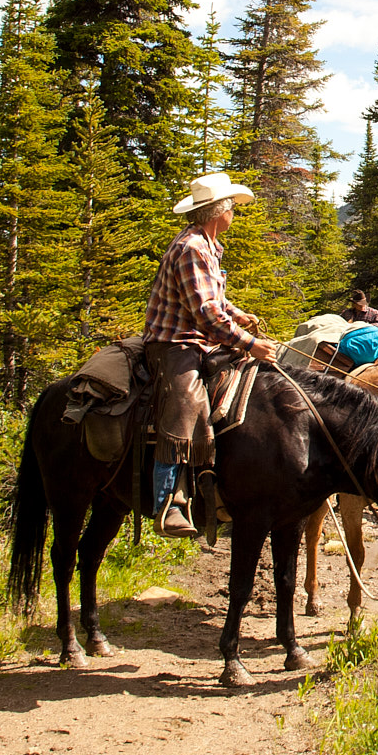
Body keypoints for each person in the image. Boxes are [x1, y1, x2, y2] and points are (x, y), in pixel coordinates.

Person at [142, 172, 276, 538]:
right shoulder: (191, 249)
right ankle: (168, 500)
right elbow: (205, 314)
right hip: (174, 344)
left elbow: (214, 301)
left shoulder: (208, 246)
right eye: (231, 206)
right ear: (217, 212)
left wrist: (237, 314)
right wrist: (250, 343)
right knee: (186, 401)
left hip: (199, 339)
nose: (234, 211)